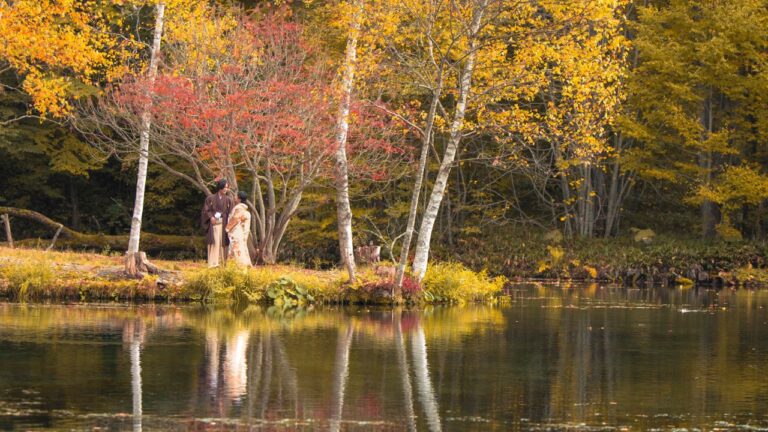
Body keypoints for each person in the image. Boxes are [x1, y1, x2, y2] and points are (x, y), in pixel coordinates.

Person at [201, 178, 233, 268]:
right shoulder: (210, 198)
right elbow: (206, 210)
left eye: (227, 188)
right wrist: (211, 217)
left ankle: (222, 263)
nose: (227, 189)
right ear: (221, 187)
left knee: (222, 242)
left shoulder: (229, 200)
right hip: (214, 223)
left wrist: (230, 225)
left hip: (224, 224)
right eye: (226, 187)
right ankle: (213, 263)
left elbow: (231, 213)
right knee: (215, 241)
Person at [226, 191, 252, 267]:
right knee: (239, 248)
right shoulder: (243, 208)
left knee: (236, 249)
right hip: (240, 232)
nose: (234, 197)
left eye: (236, 196)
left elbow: (235, 219)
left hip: (236, 232)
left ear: (239, 199)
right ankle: (237, 266)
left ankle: (238, 266)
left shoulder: (239, 208)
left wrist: (227, 228)